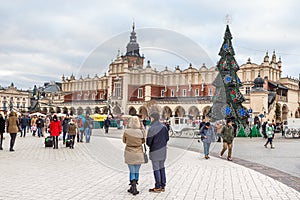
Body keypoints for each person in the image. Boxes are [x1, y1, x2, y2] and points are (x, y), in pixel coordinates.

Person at [146, 111, 169, 193]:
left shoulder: (152, 128)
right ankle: (163, 185)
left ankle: (158, 185)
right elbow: (167, 138)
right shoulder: (164, 127)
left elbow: (148, 141)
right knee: (162, 167)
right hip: (163, 150)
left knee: (156, 168)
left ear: (153, 118)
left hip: (155, 150)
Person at [123, 116, 146, 195]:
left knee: (132, 170)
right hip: (139, 152)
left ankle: (133, 186)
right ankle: (135, 185)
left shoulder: (126, 131)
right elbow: (143, 141)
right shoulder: (141, 132)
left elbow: (124, 141)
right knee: (136, 170)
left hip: (129, 152)